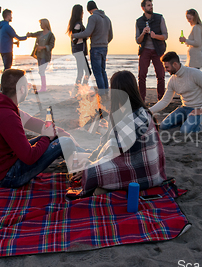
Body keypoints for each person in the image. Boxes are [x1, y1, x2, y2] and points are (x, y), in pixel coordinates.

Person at [69, 70, 166, 198]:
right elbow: (106, 144)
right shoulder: (136, 111)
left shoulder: (133, 118)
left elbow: (112, 153)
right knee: (80, 161)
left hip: (143, 173)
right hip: (146, 168)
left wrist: (89, 168)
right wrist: (90, 161)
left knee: (91, 173)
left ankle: (103, 188)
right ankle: (104, 186)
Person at [0, 69, 77, 188]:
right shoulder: (7, 116)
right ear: (22, 89)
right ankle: (81, 171)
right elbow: (29, 157)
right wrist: (47, 137)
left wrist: (58, 133)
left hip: (1, 168)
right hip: (6, 177)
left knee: (58, 138)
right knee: (65, 142)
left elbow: (33, 123)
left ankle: (78, 166)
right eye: (27, 85)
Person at [149, 51, 202, 133]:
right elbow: (165, 101)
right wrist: (149, 111)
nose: (165, 70)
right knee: (164, 126)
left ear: (175, 64)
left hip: (198, 109)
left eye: (167, 67)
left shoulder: (194, 73)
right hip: (184, 108)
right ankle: (188, 121)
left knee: (185, 131)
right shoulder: (172, 80)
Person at [71, 0, 113, 94]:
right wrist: (104, 42)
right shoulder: (107, 19)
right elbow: (111, 36)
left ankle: (102, 93)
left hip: (96, 48)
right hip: (105, 47)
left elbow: (87, 33)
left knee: (97, 72)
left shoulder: (93, 18)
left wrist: (75, 35)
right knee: (103, 71)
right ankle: (106, 92)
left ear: (89, 10)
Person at [135, 0, 168, 102]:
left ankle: (161, 100)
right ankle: (141, 100)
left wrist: (155, 36)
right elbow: (138, 40)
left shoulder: (159, 18)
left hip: (158, 50)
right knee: (141, 76)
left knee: (161, 75)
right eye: (149, 5)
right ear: (143, 8)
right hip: (144, 50)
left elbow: (165, 36)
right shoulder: (139, 21)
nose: (151, 7)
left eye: (151, 5)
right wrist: (143, 33)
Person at [27, 19, 55, 92]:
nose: (40, 25)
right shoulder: (40, 33)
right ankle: (43, 87)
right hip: (39, 55)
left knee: (41, 71)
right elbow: (33, 34)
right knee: (41, 71)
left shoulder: (50, 35)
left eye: (41, 23)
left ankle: (43, 88)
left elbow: (51, 45)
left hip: (45, 56)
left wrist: (42, 47)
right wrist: (29, 34)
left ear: (45, 24)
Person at [67, 4, 91, 88]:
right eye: (82, 11)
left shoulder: (76, 24)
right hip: (79, 51)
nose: (83, 13)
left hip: (78, 51)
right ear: (79, 13)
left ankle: (80, 88)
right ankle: (80, 88)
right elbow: (76, 38)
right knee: (85, 72)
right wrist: (86, 35)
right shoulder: (78, 25)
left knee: (82, 72)